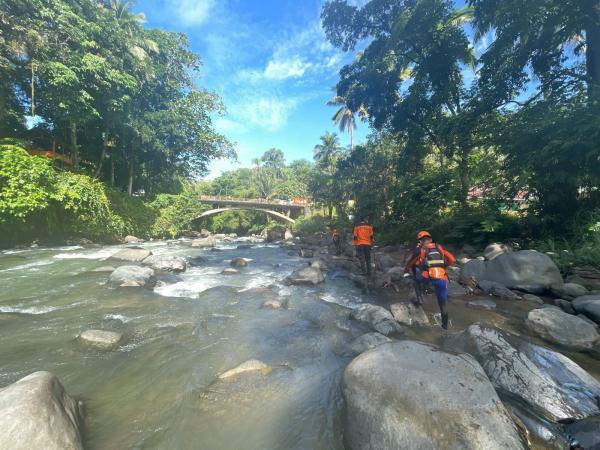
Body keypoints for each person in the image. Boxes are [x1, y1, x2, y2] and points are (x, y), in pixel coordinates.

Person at [404, 231, 456, 329]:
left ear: (420, 241)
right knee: (443, 305)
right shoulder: (439, 248)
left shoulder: (420, 249)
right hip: (442, 278)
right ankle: (445, 328)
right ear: (431, 239)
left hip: (428, 276)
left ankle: (420, 299)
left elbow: (410, 263)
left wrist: (405, 271)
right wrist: (444, 266)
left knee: (416, 280)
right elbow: (452, 259)